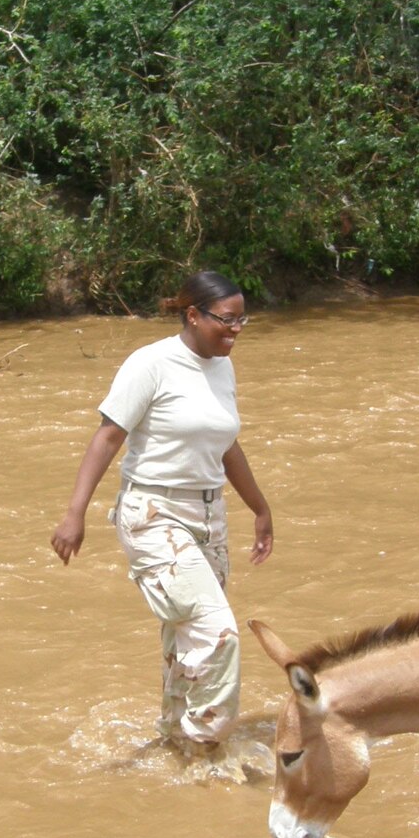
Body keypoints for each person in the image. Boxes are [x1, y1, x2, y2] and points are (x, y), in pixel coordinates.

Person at [50, 271, 275, 747]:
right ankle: (206, 751)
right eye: (226, 321)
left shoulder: (222, 365)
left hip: (208, 517)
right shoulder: (150, 364)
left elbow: (227, 444)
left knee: (186, 635)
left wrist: (259, 507)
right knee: (219, 635)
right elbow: (108, 437)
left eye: (241, 321)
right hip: (153, 514)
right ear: (193, 315)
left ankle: (173, 738)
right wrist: (75, 514)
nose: (235, 331)